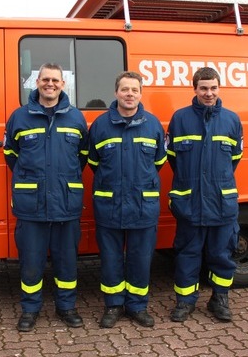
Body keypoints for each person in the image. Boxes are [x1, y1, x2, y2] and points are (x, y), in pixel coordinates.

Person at [3, 63, 89, 332]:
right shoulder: (19, 117)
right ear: (37, 82)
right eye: (45, 79)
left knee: (67, 262)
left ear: (63, 84)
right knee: (31, 262)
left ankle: (66, 307)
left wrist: (62, 180)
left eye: (55, 80)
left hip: (66, 203)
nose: (50, 84)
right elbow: (11, 154)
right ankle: (30, 310)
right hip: (32, 204)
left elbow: (83, 156)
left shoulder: (76, 118)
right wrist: (31, 180)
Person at [87, 71, 167, 328]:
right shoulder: (100, 125)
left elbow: (159, 161)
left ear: (141, 94)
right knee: (110, 260)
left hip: (143, 206)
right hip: (109, 205)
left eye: (134, 90)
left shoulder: (153, 125)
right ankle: (113, 306)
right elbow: (93, 162)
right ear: (116, 92)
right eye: (125, 89)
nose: (129, 94)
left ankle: (137, 306)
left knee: (140, 259)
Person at [166, 66, 243, 323]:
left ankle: (219, 299)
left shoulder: (232, 120)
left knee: (222, 255)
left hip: (221, 202)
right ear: (195, 89)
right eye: (203, 88)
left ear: (219, 88)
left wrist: (215, 182)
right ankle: (185, 302)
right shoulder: (180, 118)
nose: (209, 93)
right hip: (190, 202)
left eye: (213, 88)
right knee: (187, 254)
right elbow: (172, 158)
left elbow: (235, 158)